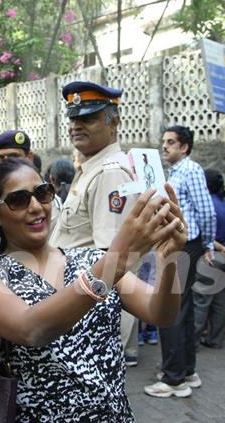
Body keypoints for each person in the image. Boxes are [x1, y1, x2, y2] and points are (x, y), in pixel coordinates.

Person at [0, 158, 187, 421]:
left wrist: (168, 259)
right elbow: (32, 329)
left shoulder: (91, 259)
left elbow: (160, 314)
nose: (36, 207)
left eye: (42, 193)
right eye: (19, 200)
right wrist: (117, 259)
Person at [49, 81, 141, 366]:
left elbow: (111, 261)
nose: (76, 126)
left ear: (114, 124)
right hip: (79, 308)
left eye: (87, 118)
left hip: (89, 318)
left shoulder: (109, 174)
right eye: (73, 119)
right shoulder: (92, 168)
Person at [144, 125, 215, 398]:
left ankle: (174, 380)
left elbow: (206, 211)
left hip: (186, 246)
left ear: (184, 147)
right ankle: (185, 371)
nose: (165, 147)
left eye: (171, 142)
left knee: (169, 310)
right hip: (182, 245)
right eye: (164, 142)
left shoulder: (191, 170)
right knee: (181, 310)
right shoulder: (174, 172)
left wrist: (207, 244)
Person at [193, 168, 225, 350]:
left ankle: (191, 342)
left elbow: (205, 235)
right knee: (219, 300)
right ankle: (215, 339)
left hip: (211, 255)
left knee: (201, 301)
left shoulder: (207, 205)